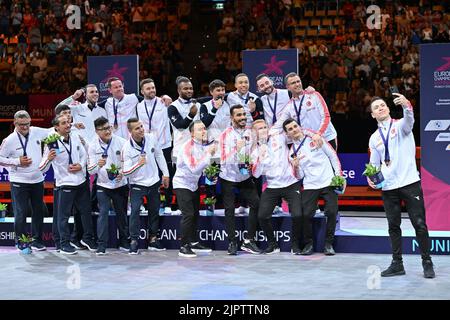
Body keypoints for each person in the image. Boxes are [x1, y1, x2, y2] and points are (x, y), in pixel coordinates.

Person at [368, 93, 435, 278]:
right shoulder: (374, 138)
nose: (380, 108)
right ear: (373, 115)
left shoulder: (401, 126)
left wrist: (406, 105)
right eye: (376, 107)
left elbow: (410, 118)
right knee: (393, 226)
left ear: (388, 109)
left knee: (419, 224)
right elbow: (374, 164)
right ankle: (397, 264)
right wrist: (371, 177)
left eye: (383, 105)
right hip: (389, 187)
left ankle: (427, 262)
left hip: (410, 183)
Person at [283, 118, 343, 256]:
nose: (294, 130)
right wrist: (296, 167)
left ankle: (328, 244)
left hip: (328, 181)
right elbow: (299, 176)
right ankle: (309, 244)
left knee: (332, 212)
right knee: (306, 214)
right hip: (310, 185)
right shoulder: (292, 152)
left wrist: (338, 176)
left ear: (299, 127)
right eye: (290, 129)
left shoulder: (315, 138)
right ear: (288, 134)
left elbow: (332, 156)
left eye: (295, 126)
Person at [39, 114, 97, 254]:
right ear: (56, 127)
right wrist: (48, 158)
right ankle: (64, 243)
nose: (68, 125)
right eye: (64, 123)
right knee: (63, 216)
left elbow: (85, 155)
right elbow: (42, 168)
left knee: (85, 212)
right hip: (65, 184)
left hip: (81, 181)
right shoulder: (52, 142)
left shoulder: (76, 136)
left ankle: (87, 238)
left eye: (68, 122)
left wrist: (81, 166)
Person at [251, 119, 302, 254]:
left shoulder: (279, 137)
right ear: (254, 133)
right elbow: (256, 175)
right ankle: (273, 244)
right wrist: (260, 158)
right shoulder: (255, 151)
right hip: (272, 186)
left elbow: (295, 134)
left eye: (264, 127)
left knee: (297, 215)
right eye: (259, 129)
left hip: (290, 183)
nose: (263, 130)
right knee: (262, 216)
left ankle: (295, 245)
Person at [0, 111, 49, 252]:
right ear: (15, 123)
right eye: (21, 125)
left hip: (37, 180)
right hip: (19, 181)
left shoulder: (36, 131)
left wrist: (73, 126)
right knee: (21, 212)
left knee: (38, 211)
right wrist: (17, 161)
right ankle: (20, 241)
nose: (25, 127)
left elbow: (53, 131)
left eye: (27, 124)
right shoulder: (9, 140)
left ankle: (37, 241)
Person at [122, 118, 169, 254]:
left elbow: (159, 155)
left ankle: (153, 239)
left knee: (154, 211)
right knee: (135, 211)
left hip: (154, 181)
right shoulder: (127, 147)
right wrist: (138, 164)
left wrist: (165, 174)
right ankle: (134, 241)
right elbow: (125, 172)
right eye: (137, 128)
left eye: (141, 126)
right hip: (137, 184)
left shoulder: (151, 138)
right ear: (130, 131)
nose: (141, 129)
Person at [219, 104, 261, 255]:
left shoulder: (251, 133)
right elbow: (223, 160)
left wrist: (253, 162)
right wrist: (237, 149)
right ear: (232, 118)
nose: (242, 117)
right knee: (229, 209)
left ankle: (249, 240)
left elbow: (254, 152)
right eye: (239, 115)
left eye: (244, 114)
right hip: (228, 176)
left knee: (256, 204)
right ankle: (232, 242)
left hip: (244, 176)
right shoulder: (225, 135)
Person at [173, 120, 216, 257]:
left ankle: (193, 242)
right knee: (188, 214)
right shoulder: (187, 147)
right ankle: (183, 246)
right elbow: (194, 168)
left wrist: (211, 174)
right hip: (182, 184)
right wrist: (209, 153)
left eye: (204, 128)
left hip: (194, 184)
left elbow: (204, 167)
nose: (203, 131)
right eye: (199, 129)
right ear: (192, 134)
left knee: (195, 214)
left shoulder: (203, 145)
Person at [87, 117, 129, 254]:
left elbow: (127, 163)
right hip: (103, 185)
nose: (107, 131)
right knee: (103, 213)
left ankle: (124, 242)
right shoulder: (93, 146)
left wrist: (122, 173)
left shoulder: (122, 142)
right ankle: (101, 245)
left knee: (121, 214)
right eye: (103, 129)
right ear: (96, 131)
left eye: (108, 127)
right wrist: (97, 165)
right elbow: (90, 170)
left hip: (120, 184)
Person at [135, 78, 174, 214]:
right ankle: (147, 204)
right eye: (148, 88)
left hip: (164, 144)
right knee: (148, 174)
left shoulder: (164, 102)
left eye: (153, 87)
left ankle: (168, 203)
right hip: (147, 146)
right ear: (142, 91)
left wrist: (167, 97)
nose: (151, 90)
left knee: (167, 173)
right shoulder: (139, 106)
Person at [279, 72, 338, 150]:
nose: (297, 84)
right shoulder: (289, 107)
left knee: (332, 162)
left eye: (298, 81)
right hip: (309, 141)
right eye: (293, 83)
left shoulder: (314, 95)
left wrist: (318, 134)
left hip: (327, 137)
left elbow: (326, 116)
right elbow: (279, 125)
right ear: (288, 87)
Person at [168, 76, 201, 161]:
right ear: (179, 91)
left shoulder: (197, 105)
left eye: (191, 88)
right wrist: (191, 115)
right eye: (185, 88)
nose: (189, 91)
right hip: (180, 149)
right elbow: (180, 126)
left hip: (197, 149)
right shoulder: (173, 107)